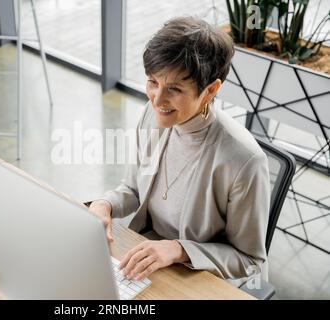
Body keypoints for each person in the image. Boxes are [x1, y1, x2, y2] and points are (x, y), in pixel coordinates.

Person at [88, 16, 270, 284]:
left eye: (174, 89)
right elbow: (133, 190)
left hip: (198, 277)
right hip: (145, 262)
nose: (157, 99)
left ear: (210, 90)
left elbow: (250, 261)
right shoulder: (153, 116)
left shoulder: (244, 160)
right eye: (152, 82)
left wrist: (178, 249)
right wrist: (104, 205)